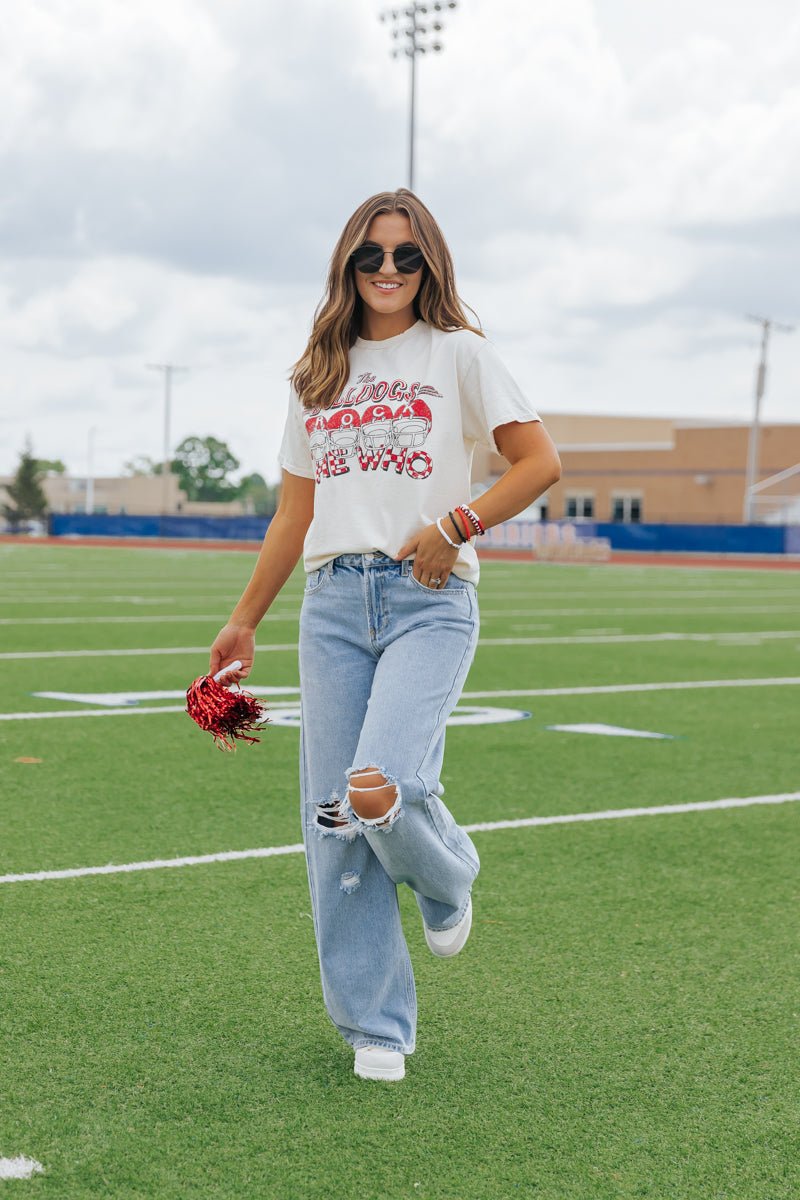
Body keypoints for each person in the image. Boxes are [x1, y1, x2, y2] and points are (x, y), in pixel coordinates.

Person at [209, 189, 561, 1083]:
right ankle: (377, 1025)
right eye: (372, 257)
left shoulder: (461, 356)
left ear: (430, 263)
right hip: (331, 603)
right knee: (334, 817)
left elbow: (539, 465)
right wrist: (244, 618)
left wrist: (455, 526)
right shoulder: (315, 375)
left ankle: (446, 878)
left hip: (428, 595)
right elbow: (295, 515)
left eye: (407, 256)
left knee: (385, 785)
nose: (390, 272)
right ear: (348, 267)